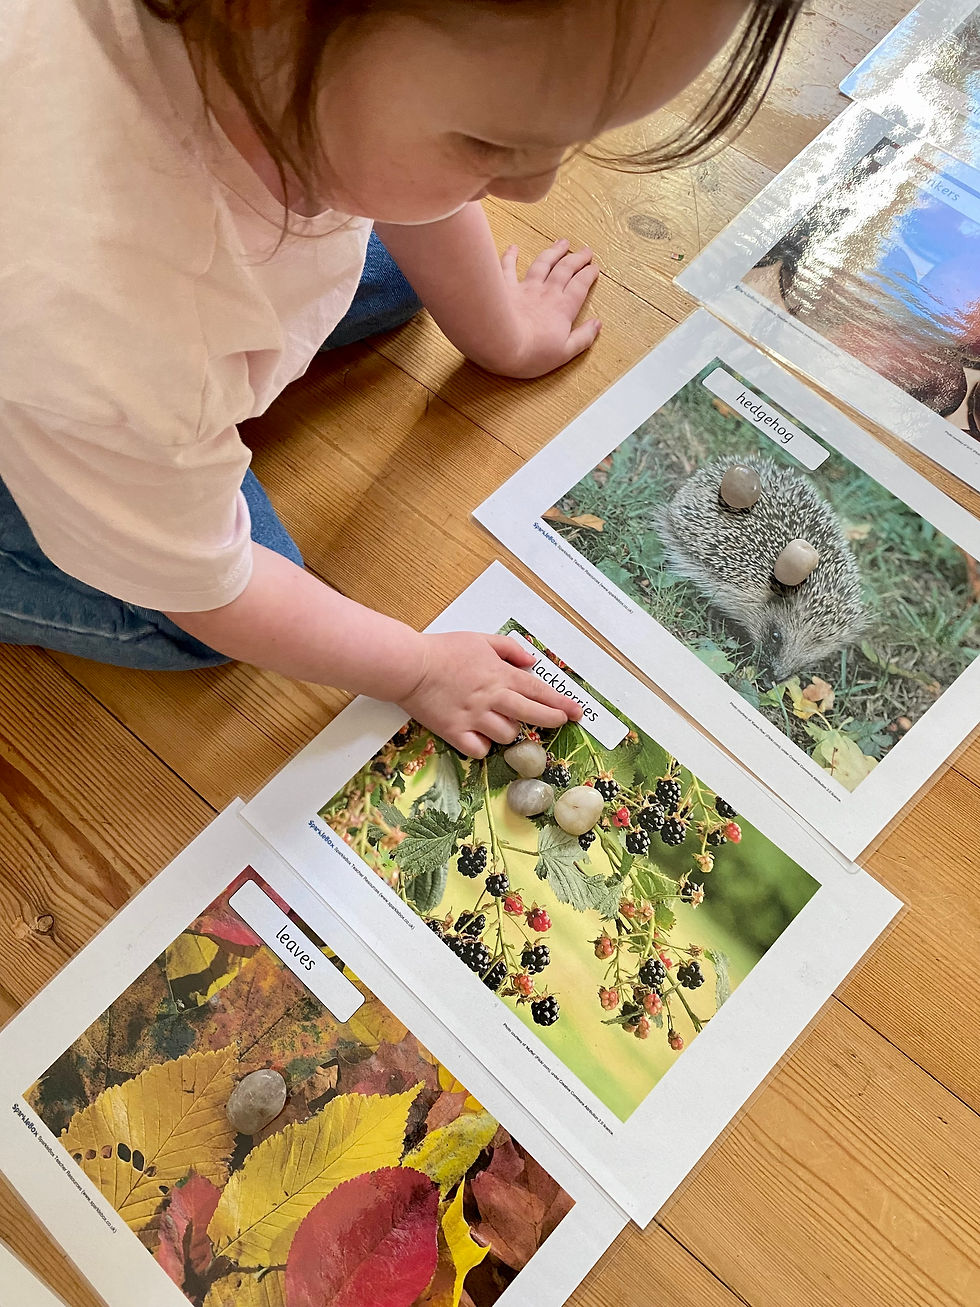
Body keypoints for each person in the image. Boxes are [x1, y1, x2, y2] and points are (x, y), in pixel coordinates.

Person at [0, 0, 800, 757]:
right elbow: (210, 592)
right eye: (491, 145)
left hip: (127, 336)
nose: (536, 188)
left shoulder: (280, 56)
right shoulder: (113, 319)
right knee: (188, 619)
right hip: (67, 366)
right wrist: (417, 668)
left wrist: (505, 334)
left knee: (400, 256)